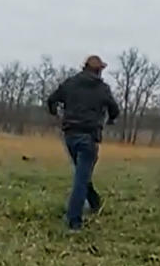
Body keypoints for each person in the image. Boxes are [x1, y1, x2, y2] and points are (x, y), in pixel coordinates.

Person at [46, 55, 120, 231]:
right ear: (99, 70)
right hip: (89, 137)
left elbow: (51, 100)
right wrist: (110, 120)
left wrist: (55, 113)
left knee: (82, 173)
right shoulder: (103, 89)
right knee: (81, 179)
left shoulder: (70, 83)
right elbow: (115, 110)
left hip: (70, 136)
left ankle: (94, 202)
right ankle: (74, 221)